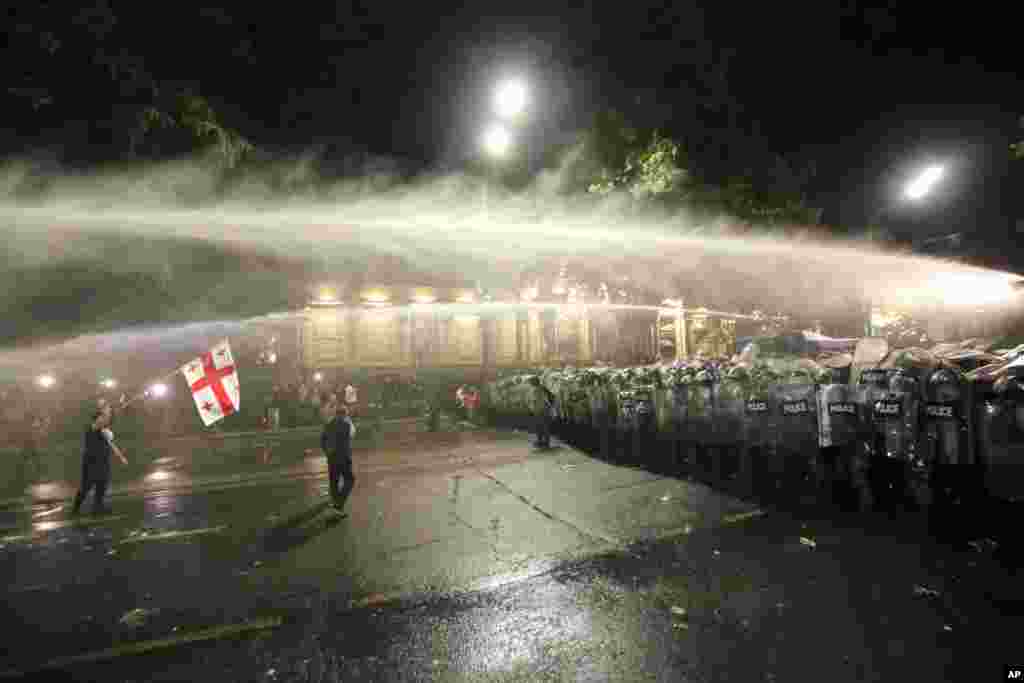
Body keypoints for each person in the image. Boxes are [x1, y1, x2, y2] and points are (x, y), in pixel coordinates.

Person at [72, 406, 128, 516]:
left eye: (105, 417)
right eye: (101, 417)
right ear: (96, 418)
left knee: (101, 486)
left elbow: (112, 445)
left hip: (103, 462)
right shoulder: (90, 428)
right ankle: (75, 508)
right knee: (85, 487)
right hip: (90, 463)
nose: (104, 419)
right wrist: (104, 424)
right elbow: (97, 426)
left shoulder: (104, 431)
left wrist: (121, 457)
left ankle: (97, 508)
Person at [320, 404, 356, 514]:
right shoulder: (347, 425)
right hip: (344, 457)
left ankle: (335, 503)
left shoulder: (328, 425)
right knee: (350, 480)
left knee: (334, 482)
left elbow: (322, 440)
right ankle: (338, 504)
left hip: (332, 458)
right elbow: (351, 435)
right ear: (345, 414)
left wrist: (327, 452)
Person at [529, 376, 555, 449]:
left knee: (544, 427)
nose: (530, 383)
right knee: (539, 426)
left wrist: (548, 407)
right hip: (540, 410)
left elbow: (542, 400)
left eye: (531, 381)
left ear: (535, 381)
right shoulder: (539, 388)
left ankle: (545, 442)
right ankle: (540, 441)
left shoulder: (539, 389)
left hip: (542, 410)